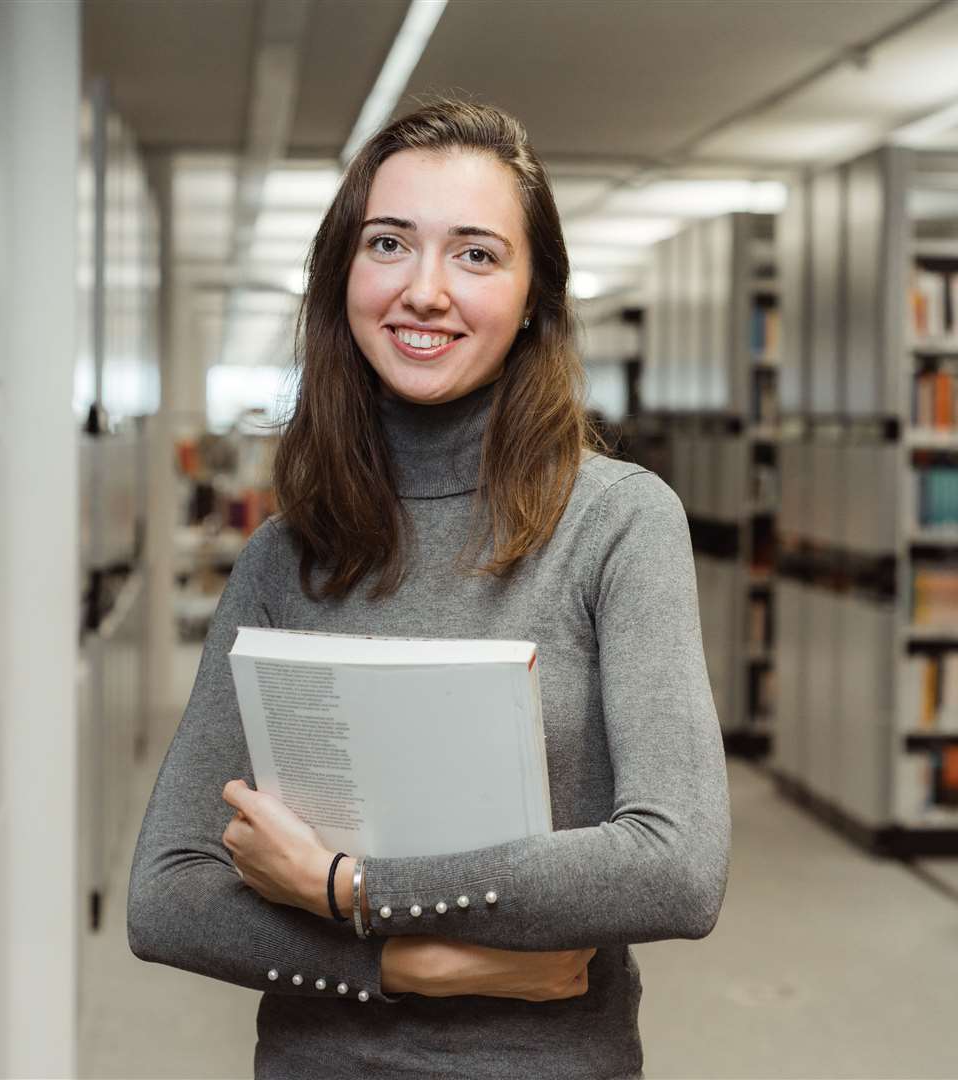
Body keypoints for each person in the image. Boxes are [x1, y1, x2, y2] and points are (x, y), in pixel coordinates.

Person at [127, 98, 731, 1080]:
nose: (424, 289)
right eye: (389, 243)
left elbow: (675, 869)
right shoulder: (286, 556)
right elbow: (166, 897)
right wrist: (406, 967)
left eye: (476, 254)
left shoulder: (619, 523)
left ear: (535, 294)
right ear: (343, 277)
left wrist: (345, 888)